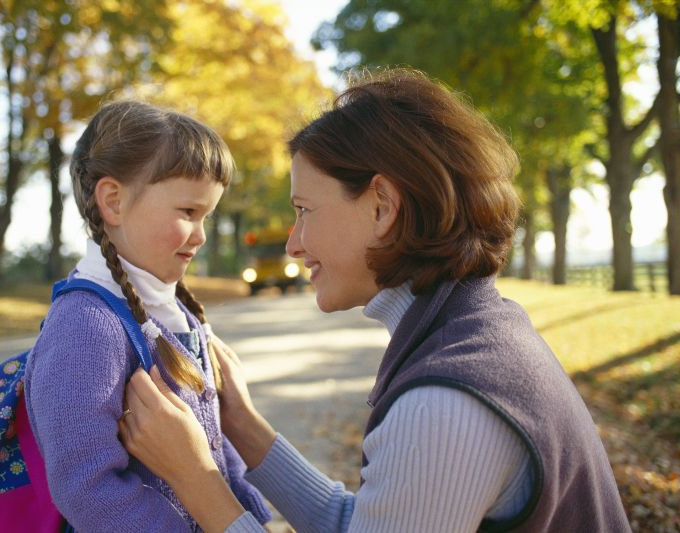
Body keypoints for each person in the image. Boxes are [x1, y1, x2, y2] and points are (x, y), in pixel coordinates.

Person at [118, 69, 631, 532]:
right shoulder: (478, 330)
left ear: (383, 207)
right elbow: (368, 523)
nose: (294, 243)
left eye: (305, 210)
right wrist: (245, 428)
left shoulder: (444, 404)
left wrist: (195, 477)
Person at [24, 100, 272, 531]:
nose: (201, 236)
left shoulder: (176, 313)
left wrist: (252, 517)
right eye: (188, 213)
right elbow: (86, 486)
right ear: (113, 202)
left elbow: (214, 440)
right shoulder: (86, 325)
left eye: (207, 216)